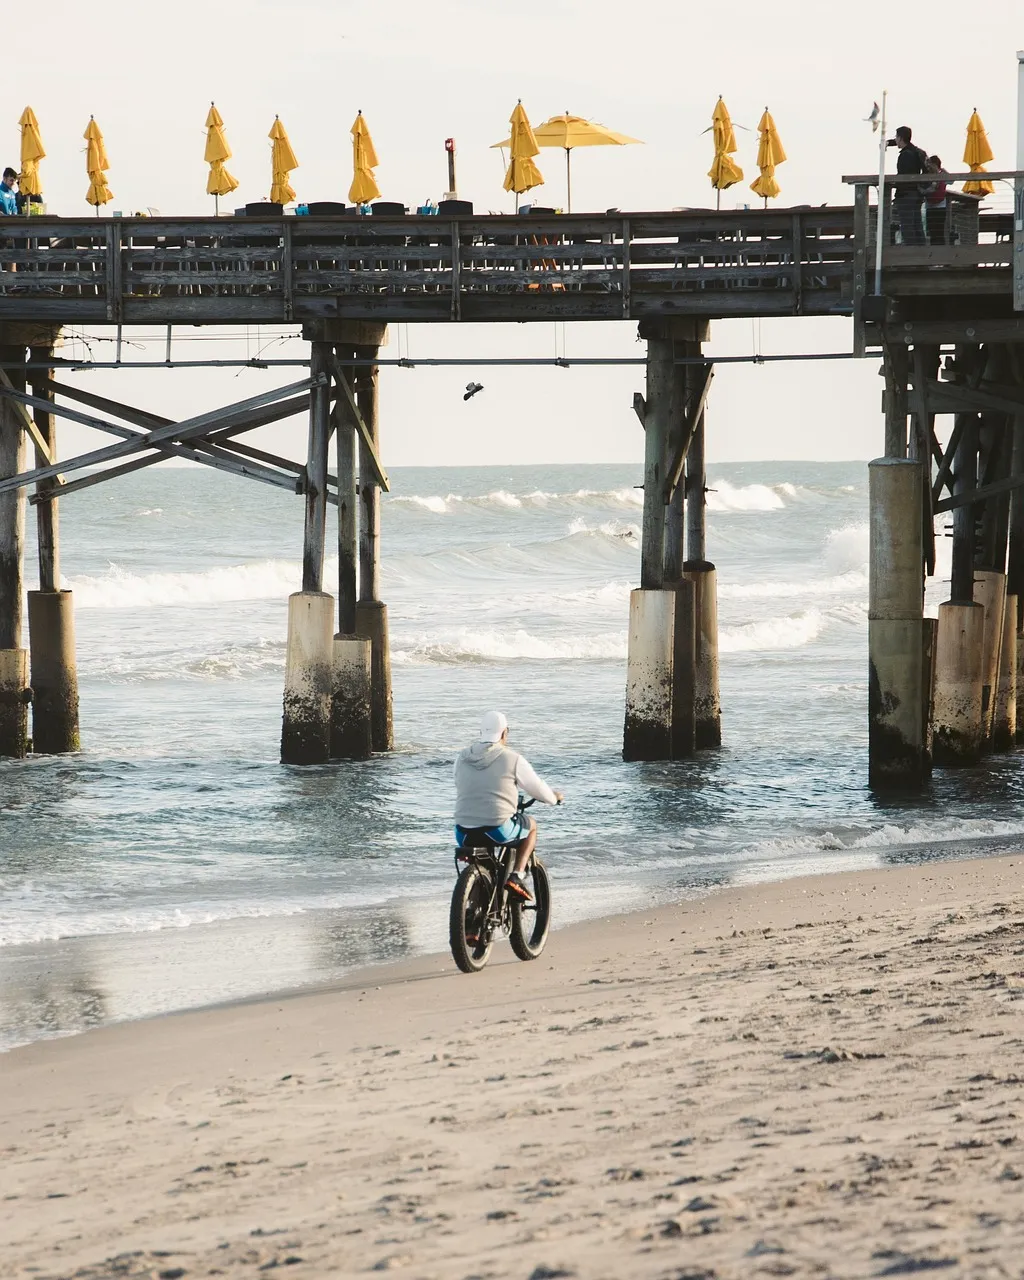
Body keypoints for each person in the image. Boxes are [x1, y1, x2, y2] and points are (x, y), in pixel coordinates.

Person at [453, 711, 563, 902]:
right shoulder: (512, 758)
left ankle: (474, 908)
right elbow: (536, 787)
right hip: (497, 830)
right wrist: (553, 798)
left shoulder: (461, 757)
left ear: (481, 732)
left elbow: (460, 784)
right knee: (531, 826)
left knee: (483, 860)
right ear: (505, 733)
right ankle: (517, 876)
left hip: (463, 832)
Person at [891, 126, 927, 246]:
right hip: (917, 193)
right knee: (917, 225)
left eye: (896, 137)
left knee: (907, 226)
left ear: (900, 138)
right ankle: (921, 252)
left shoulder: (905, 155)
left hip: (906, 195)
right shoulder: (916, 152)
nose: (895, 139)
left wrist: (895, 185)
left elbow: (903, 176)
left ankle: (911, 252)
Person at [924, 155, 948, 246]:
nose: (928, 168)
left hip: (940, 206)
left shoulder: (942, 175)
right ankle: (935, 248)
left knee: (939, 230)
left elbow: (952, 180)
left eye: (930, 165)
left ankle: (939, 249)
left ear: (935, 164)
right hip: (931, 206)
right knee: (932, 231)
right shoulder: (928, 176)